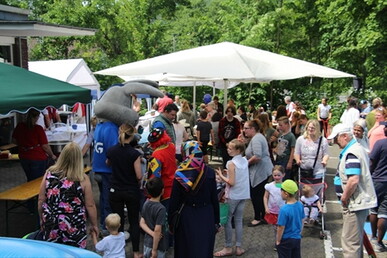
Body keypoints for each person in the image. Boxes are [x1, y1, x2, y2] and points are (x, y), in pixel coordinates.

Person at [327, 123, 377, 257]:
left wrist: (344, 197)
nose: (336, 142)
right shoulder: (357, 148)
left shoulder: (351, 153)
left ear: (345, 136)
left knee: (350, 244)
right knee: (355, 241)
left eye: (337, 138)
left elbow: (353, 180)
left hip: (354, 203)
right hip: (358, 202)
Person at [38, 142, 98, 248]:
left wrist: (41, 218)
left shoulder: (49, 174)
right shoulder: (82, 179)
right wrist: (94, 225)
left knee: (53, 251)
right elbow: (90, 205)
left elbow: (41, 200)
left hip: (51, 221)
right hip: (74, 223)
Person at [168, 141, 220, 258]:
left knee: (185, 248)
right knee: (204, 248)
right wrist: (216, 221)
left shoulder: (180, 174)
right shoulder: (210, 172)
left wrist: (170, 222)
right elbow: (214, 199)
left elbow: (174, 201)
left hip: (186, 215)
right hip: (206, 214)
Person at [106, 123, 142, 257]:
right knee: (133, 222)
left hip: (115, 189)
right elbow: (138, 175)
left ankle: (117, 251)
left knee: (118, 222)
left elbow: (108, 163)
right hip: (131, 190)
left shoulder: (111, 151)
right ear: (132, 135)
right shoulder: (134, 153)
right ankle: (136, 252)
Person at [214, 139, 250, 257]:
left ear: (238, 150)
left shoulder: (231, 163)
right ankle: (239, 247)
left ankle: (228, 247)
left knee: (228, 221)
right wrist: (228, 173)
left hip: (233, 195)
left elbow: (232, 182)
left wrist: (220, 175)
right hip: (243, 194)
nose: (228, 150)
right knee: (238, 220)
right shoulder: (244, 160)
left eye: (230, 148)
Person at [12, 109, 56, 181]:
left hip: (23, 156)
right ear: (37, 117)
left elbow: (14, 141)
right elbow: (45, 146)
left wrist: (24, 145)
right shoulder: (38, 129)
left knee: (29, 178)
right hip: (37, 157)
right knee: (38, 181)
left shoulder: (19, 126)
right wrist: (52, 155)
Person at [244, 119, 273, 227]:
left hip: (260, 171)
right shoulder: (257, 137)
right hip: (261, 169)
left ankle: (258, 218)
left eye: (246, 128)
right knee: (260, 194)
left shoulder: (256, 139)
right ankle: (263, 216)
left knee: (256, 194)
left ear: (253, 129)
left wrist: (245, 163)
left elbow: (257, 156)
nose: (244, 130)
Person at [93, 119, 118, 233]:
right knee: (108, 199)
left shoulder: (99, 126)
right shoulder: (111, 128)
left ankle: (104, 222)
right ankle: (108, 226)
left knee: (103, 197)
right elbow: (113, 151)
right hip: (107, 169)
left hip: (97, 167)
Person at [148, 127, 177, 209]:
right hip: (174, 185)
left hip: (163, 191)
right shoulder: (171, 146)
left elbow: (154, 176)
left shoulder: (156, 154)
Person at [369, 121, 387, 252]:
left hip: (377, 179)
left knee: (374, 209)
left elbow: (372, 161)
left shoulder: (380, 143)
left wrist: (368, 175)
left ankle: (374, 236)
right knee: (384, 212)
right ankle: (380, 242)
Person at [140, 177, 168, 258]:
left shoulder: (146, 203)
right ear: (162, 191)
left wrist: (151, 233)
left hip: (147, 243)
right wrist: (154, 250)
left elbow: (142, 223)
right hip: (157, 246)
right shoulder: (161, 209)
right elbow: (157, 230)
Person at [276, 180, 304, 258]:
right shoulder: (300, 205)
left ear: (286, 194)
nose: (280, 192)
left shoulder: (284, 209)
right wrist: (299, 233)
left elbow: (281, 227)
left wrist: (278, 240)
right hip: (296, 238)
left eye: (281, 190)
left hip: (286, 239)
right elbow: (302, 220)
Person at [263, 165, 286, 250]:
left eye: (278, 175)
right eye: (274, 175)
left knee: (282, 227)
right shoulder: (269, 186)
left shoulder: (285, 186)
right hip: (273, 211)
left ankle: (281, 242)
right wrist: (266, 207)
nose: (276, 177)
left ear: (283, 175)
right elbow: (265, 197)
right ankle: (277, 242)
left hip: (283, 211)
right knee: (276, 229)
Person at [274, 116, 296, 180]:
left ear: (286, 124)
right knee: (278, 177)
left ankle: (283, 189)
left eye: (281, 125)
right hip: (278, 158)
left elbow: (293, 150)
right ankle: (278, 188)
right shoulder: (281, 134)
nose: (279, 127)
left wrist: (290, 162)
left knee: (284, 177)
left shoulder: (291, 136)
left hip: (286, 160)